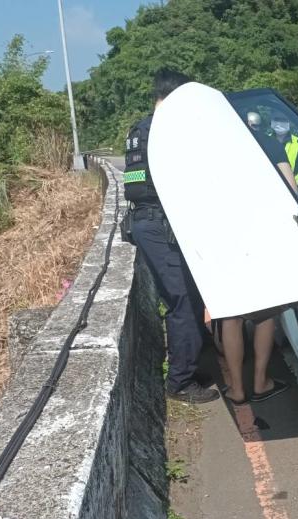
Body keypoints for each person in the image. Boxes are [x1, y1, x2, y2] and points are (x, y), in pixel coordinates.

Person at [124, 69, 220, 404]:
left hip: (145, 222)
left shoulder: (141, 128)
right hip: (159, 223)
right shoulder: (168, 129)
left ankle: (187, 367)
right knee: (183, 301)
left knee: (183, 298)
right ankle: (179, 383)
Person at [217, 107, 296, 405]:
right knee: (265, 313)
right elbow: (291, 188)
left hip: (226, 238)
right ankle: (261, 382)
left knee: (231, 315)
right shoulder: (269, 143)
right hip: (263, 235)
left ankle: (237, 390)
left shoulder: (218, 147)